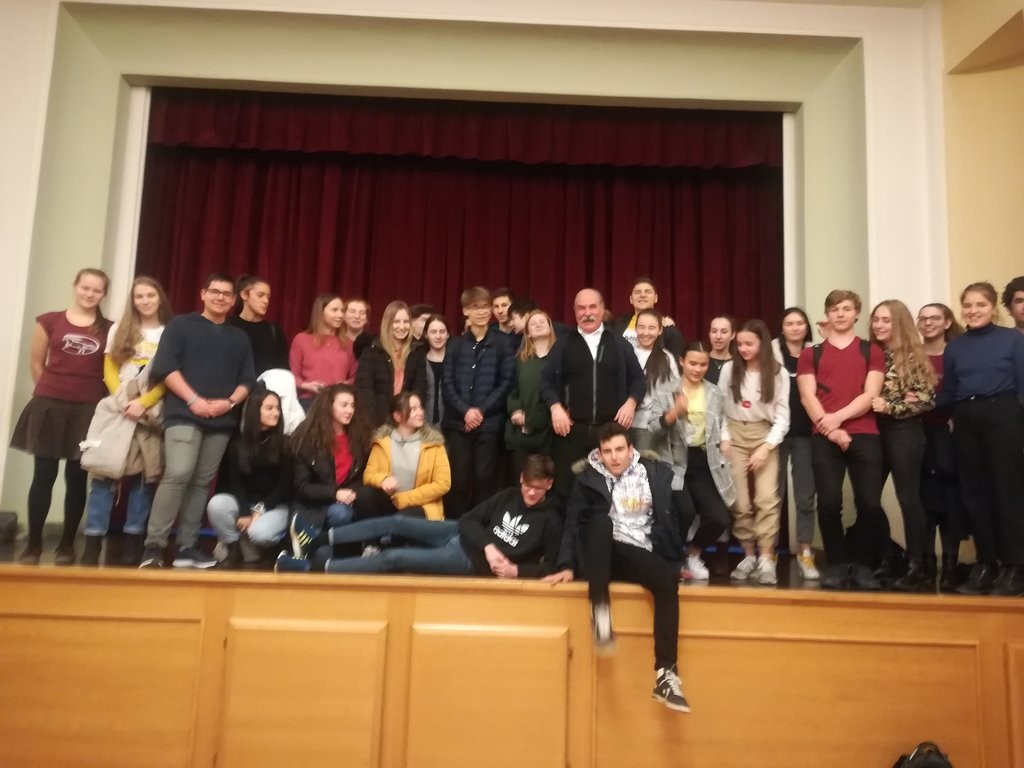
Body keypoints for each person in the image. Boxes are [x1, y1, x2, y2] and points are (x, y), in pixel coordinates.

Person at [544, 423, 690, 714]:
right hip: (601, 552)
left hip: (637, 553)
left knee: (666, 579)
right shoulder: (587, 479)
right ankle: (600, 612)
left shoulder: (652, 473)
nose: (614, 457)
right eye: (607, 451)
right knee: (600, 522)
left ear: (630, 449)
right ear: (599, 453)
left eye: (619, 450)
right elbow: (573, 523)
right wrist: (566, 565)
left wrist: (676, 562)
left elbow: (669, 520)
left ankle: (666, 675)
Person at [139, 273, 256, 569]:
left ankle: (187, 548)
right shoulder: (181, 326)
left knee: (202, 483)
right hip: (184, 414)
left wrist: (229, 403)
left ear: (233, 300)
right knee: (178, 474)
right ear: (203, 294)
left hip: (222, 420)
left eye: (226, 294)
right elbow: (166, 367)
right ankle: (153, 547)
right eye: (215, 291)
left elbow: (247, 380)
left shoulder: (238, 337)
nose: (220, 297)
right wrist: (194, 400)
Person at [280, 454, 562, 576]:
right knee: (398, 521)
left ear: (549, 484)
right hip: (463, 535)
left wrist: (516, 571)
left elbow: (552, 567)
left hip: (470, 561)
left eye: (538, 488)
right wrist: (489, 545)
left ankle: (310, 568)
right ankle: (315, 539)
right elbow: (469, 519)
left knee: (394, 558)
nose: (531, 492)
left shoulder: (551, 519)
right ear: (521, 478)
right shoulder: (510, 495)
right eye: (527, 484)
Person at [11, 268, 111, 565]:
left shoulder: (109, 328)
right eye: (85, 287)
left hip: (88, 411)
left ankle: (67, 545)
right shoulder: (49, 321)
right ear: (75, 286)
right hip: (49, 406)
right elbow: (36, 364)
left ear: (103, 294)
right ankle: (33, 545)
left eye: (96, 290)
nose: (90, 294)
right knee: (43, 476)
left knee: (77, 478)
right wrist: (52, 392)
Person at [797, 289, 886, 591]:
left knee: (869, 504)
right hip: (824, 436)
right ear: (827, 314)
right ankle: (835, 564)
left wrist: (838, 418)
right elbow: (807, 397)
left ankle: (862, 565)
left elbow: (870, 394)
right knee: (829, 503)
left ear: (856, 314)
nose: (840, 314)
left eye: (846, 308)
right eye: (835, 309)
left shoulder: (871, 351)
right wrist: (831, 429)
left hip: (865, 434)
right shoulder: (811, 354)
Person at [81, 276, 171, 567]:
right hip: (117, 410)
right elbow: (109, 369)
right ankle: (92, 543)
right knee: (103, 476)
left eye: (150, 295)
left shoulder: (169, 332)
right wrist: (122, 401)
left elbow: (169, 377)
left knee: (143, 481)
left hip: (149, 412)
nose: (144, 301)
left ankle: (133, 542)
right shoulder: (120, 329)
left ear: (159, 298)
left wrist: (143, 403)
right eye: (139, 296)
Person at [940, 282, 1024, 596]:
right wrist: (916, 402)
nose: (973, 311)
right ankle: (986, 563)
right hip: (966, 418)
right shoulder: (955, 347)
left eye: (981, 305)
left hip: (1004, 415)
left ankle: (1015, 567)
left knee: (1007, 493)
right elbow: (949, 392)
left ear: (993, 308)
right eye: (968, 305)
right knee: (974, 495)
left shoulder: (1012, 340)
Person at [541, 288, 645, 499]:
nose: (587, 313)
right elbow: (545, 382)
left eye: (592, 307)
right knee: (566, 492)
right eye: (581, 308)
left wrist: (631, 403)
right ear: (574, 312)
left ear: (602, 309)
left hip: (609, 433)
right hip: (571, 432)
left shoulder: (619, 343)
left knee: (608, 493)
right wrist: (555, 407)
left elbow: (638, 380)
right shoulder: (563, 344)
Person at [868, 299, 937, 591]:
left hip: (904, 432)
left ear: (899, 323)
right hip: (872, 432)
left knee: (908, 498)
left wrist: (891, 406)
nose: (879, 325)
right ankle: (889, 556)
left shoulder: (912, 356)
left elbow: (926, 400)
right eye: (876, 319)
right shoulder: (870, 354)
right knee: (868, 499)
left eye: (886, 320)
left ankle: (917, 564)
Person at [653, 341, 734, 582]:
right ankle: (672, 560)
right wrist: (673, 414)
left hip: (703, 461)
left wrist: (725, 440)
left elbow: (722, 422)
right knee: (684, 512)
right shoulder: (665, 391)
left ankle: (692, 554)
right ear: (681, 362)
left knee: (720, 518)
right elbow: (652, 431)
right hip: (673, 462)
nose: (698, 369)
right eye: (693, 363)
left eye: (703, 364)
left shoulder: (714, 392)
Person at [718, 319, 790, 585]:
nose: (743, 349)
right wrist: (725, 438)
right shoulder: (729, 369)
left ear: (763, 343)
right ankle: (748, 555)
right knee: (739, 501)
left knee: (766, 498)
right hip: (734, 434)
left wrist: (766, 447)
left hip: (764, 435)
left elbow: (783, 417)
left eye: (749, 344)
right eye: (740, 344)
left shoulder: (778, 373)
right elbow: (719, 408)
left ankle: (767, 558)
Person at [441, 287, 515, 519]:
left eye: (485, 307)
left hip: (489, 423)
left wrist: (480, 411)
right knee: (458, 479)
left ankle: (480, 525)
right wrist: (465, 411)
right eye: (476, 308)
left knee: (485, 479)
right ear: (466, 311)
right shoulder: (455, 345)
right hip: (458, 423)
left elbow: (506, 383)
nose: (482, 312)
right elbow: (447, 383)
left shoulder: (503, 344)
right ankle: (454, 527)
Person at [283, 384, 374, 558]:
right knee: (339, 517)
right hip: (314, 507)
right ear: (329, 406)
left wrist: (351, 493)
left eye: (352, 405)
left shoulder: (360, 437)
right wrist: (335, 493)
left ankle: (319, 546)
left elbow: (363, 475)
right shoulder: (307, 439)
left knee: (342, 516)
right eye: (344, 405)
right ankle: (310, 542)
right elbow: (302, 487)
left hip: (349, 503)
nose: (350, 410)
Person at [206, 386, 291, 568]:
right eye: (269, 408)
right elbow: (235, 482)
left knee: (259, 534)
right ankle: (234, 547)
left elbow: (285, 486)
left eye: (277, 408)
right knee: (217, 504)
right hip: (247, 503)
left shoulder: (286, 444)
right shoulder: (238, 443)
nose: (275, 413)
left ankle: (266, 550)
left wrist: (261, 509)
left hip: (276, 506)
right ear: (255, 411)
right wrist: (245, 512)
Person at [916, 302, 967, 591]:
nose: (928, 323)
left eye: (934, 318)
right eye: (923, 319)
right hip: (918, 435)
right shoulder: (911, 355)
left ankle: (950, 566)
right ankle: (925, 565)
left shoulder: (958, 352)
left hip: (950, 435)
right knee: (922, 503)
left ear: (947, 322)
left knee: (949, 503)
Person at [772, 307, 819, 580]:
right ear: (782, 328)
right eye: (789, 323)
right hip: (775, 436)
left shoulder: (816, 353)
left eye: (800, 323)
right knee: (772, 497)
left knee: (805, 497)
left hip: (807, 435)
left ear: (806, 327)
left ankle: (805, 551)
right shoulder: (770, 353)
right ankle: (768, 552)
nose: (795, 327)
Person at [506, 310, 556, 477]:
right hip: (520, 434)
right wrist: (515, 410)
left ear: (550, 328)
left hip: (548, 435)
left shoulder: (559, 359)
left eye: (542, 321)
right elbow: (513, 390)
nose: (538, 325)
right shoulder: (520, 360)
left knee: (543, 482)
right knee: (520, 482)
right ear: (527, 333)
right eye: (533, 323)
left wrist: (533, 420)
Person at [289, 293, 356, 410]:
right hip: (309, 402)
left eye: (342, 310)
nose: (340, 315)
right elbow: (293, 374)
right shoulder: (301, 339)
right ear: (320, 312)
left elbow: (355, 375)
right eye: (334, 310)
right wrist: (306, 385)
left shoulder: (348, 343)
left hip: (338, 402)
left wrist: (345, 384)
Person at [356, 300, 415, 428]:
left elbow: (418, 390)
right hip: (377, 421)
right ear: (388, 323)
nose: (402, 326)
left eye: (406, 322)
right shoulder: (371, 352)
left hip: (406, 421)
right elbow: (365, 391)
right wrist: (374, 424)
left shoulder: (416, 353)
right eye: (396, 321)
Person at [630, 309, 680, 453]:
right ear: (635, 328)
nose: (646, 332)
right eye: (641, 327)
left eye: (651, 328)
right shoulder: (627, 351)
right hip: (623, 424)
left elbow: (677, 391)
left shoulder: (666, 358)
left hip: (649, 427)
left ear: (660, 330)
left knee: (645, 464)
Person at [228, 274, 288, 375]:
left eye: (268, 296)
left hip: (266, 385)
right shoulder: (228, 326)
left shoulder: (274, 331)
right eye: (260, 295)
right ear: (244, 295)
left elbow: (282, 369)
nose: (266, 301)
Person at [612, 277, 684, 359]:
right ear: (631, 299)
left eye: (648, 292)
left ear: (656, 298)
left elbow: (677, 361)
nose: (642, 295)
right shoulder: (617, 324)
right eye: (637, 292)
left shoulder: (668, 329)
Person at [406, 313, 449, 428]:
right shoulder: (416, 359)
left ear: (448, 334)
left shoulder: (455, 360)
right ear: (426, 335)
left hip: (451, 425)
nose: (438, 336)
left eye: (442, 332)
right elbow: (408, 391)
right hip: (420, 423)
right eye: (433, 332)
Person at [706, 315, 736, 385]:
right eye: (714, 331)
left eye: (724, 332)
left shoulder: (737, 364)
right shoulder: (701, 362)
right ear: (709, 335)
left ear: (732, 335)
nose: (718, 336)